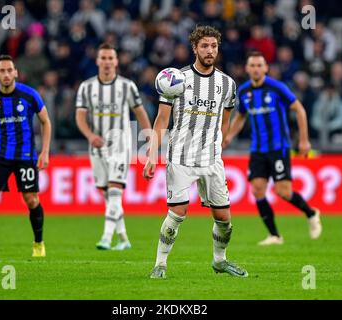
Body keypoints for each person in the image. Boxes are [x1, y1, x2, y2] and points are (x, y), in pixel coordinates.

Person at [144, 26, 248, 279]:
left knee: (224, 218)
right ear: (194, 48)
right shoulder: (176, 80)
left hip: (211, 159)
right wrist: (151, 155)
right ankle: (160, 264)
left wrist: (219, 141)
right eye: (204, 46)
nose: (210, 50)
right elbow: (162, 120)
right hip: (181, 156)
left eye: (213, 46)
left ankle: (220, 261)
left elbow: (226, 118)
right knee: (177, 212)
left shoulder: (227, 84)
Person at [223, 51, 322, 245]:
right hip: (257, 149)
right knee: (257, 190)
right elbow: (241, 116)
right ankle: (275, 236)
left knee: (283, 192)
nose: (256, 69)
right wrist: (229, 136)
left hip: (278, 148)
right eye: (252, 65)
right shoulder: (243, 92)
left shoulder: (277, 88)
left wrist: (303, 140)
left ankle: (311, 213)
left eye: (260, 65)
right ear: (247, 68)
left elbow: (299, 109)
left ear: (266, 68)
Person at [0, 55, 51, 257]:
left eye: (10, 70)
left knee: (31, 200)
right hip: (0, 154)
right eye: (2, 71)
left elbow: (46, 122)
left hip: (25, 155)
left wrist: (45, 151)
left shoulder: (30, 95)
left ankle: (38, 243)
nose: (6, 74)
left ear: (16, 72)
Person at [75, 43, 151, 251]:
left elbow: (140, 112)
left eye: (111, 58)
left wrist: (150, 140)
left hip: (120, 144)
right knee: (106, 193)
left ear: (116, 62)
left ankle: (106, 238)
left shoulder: (127, 86)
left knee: (115, 189)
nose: (107, 62)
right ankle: (124, 238)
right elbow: (80, 117)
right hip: (97, 146)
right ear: (98, 61)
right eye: (104, 58)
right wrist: (90, 135)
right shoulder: (86, 87)